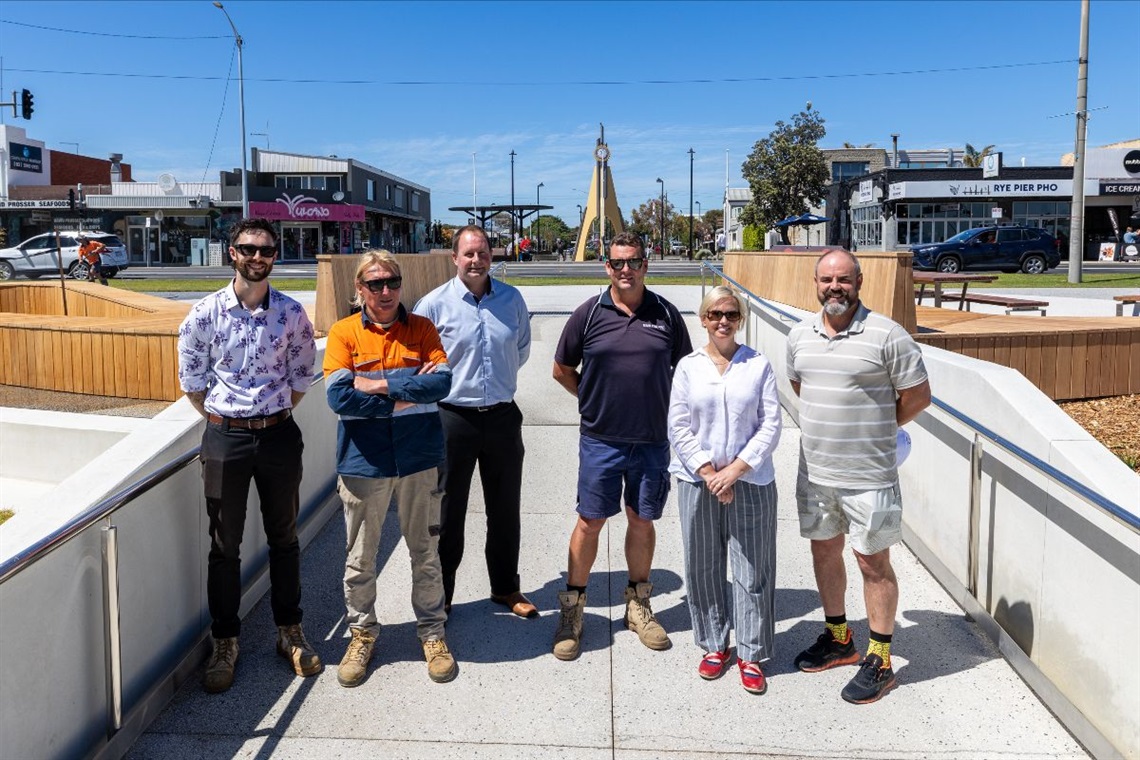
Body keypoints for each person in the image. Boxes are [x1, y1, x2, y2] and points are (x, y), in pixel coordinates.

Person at [176, 217, 319, 694]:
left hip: (279, 436)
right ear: (231, 253)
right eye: (248, 248)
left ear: (274, 256)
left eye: (267, 250)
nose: (258, 257)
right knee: (224, 546)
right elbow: (194, 385)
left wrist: (266, 417)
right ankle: (226, 641)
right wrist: (232, 421)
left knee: (285, 537)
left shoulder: (293, 314)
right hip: (225, 440)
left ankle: (289, 631)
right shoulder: (203, 314)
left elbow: (301, 379)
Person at [787, 249, 931, 705]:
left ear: (859, 281)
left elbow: (917, 397)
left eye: (844, 280)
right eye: (827, 279)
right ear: (815, 283)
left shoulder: (889, 335)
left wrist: (877, 427)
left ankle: (881, 659)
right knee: (825, 552)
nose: (835, 287)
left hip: (869, 475)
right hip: (816, 472)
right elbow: (800, 385)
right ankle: (839, 638)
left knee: (873, 563)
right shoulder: (799, 336)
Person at [551, 231, 692, 660]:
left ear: (646, 264)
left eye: (633, 261)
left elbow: (685, 373)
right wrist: (594, 402)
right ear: (606, 267)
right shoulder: (589, 314)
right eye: (617, 263)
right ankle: (573, 610)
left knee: (642, 520)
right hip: (601, 440)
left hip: (651, 441)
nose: (625, 269)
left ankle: (638, 605)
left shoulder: (666, 314)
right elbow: (561, 369)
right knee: (590, 521)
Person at [323, 250, 458, 687]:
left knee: (425, 550)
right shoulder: (344, 333)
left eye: (392, 282)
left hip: (418, 458)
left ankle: (432, 632)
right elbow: (339, 397)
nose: (385, 291)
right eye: (375, 283)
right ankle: (362, 633)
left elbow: (441, 382)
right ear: (359, 289)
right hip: (365, 461)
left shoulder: (422, 328)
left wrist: (380, 383)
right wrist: (408, 390)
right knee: (361, 558)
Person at [413, 225, 536, 619]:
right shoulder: (433, 305)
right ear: (454, 258)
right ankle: (443, 595)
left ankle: (506, 588)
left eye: (482, 253)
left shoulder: (512, 300)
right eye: (468, 254)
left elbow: (520, 350)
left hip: (502, 417)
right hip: (453, 419)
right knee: (448, 513)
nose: (476, 260)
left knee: (505, 509)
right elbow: (418, 364)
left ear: (491, 256)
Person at [668, 285, 782, 694]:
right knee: (703, 566)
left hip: (750, 480)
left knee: (752, 568)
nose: (723, 321)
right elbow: (678, 425)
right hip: (696, 480)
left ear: (740, 320)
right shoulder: (688, 367)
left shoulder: (758, 365)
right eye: (715, 314)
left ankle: (750, 652)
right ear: (702, 319)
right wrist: (707, 471)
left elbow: (771, 424)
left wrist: (733, 471)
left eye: (731, 314)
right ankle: (714, 644)